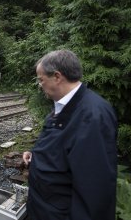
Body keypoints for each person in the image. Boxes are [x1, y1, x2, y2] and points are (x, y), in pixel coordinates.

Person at [23, 49, 117, 220]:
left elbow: (94, 190)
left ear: (57, 77)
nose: (40, 85)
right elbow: (62, 146)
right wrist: (36, 154)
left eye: (41, 80)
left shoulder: (92, 116)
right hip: (44, 209)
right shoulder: (65, 106)